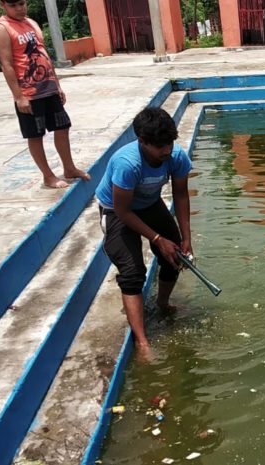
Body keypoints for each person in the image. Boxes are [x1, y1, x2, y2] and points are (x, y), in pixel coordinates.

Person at [96, 107, 192, 360]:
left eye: (169, 143)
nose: (167, 151)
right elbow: (123, 210)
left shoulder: (177, 156)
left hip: (149, 204)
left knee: (175, 257)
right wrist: (158, 239)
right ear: (142, 141)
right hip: (117, 211)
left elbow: (181, 195)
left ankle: (162, 304)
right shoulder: (127, 163)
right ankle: (142, 342)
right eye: (159, 146)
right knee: (132, 272)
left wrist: (186, 239)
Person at [0, 0, 90, 188]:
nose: (20, 8)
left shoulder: (32, 23)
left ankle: (69, 167)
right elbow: (6, 64)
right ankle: (48, 176)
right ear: (3, 5)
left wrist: (57, 85)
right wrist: (19, 96)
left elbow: (44, 54)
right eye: (14, 5)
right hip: (28, 92)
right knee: (35, 134)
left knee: (63, 126)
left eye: (22, 3)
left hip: (48, 87)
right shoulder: (3, 28)